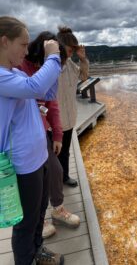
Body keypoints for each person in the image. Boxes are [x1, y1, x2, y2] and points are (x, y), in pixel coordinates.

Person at [0, 16, 64, 265]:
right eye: (23, 45)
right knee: (25, 223)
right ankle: (26, 259)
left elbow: (46, 91)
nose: (26, 51)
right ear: (4, 42)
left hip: (39, 157)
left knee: (38, 215)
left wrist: (54, 66)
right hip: (23, 164)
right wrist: (53, 56)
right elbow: (36, 87)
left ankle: (38, 253)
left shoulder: (14, 72)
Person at [21, 31, 80, 239]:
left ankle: (57, 209)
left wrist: (57, 135)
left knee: (55, 169)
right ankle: (39, 218)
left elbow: (51, 103)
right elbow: (34, 89)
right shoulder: (20, 67)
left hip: (40, 130)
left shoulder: (43, 68)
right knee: (33, 178)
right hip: (20, 134)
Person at [56, 26, 89, 187]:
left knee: (65, 151)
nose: (72, 53)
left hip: (69, 118)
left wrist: (82, 59)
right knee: (52, 153)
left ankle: (65, 177)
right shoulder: (50, 66)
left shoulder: (70, 64)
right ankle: (53, 182)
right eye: (71, 49)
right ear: (60, 47)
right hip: (53, 121)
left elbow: (83, 77)